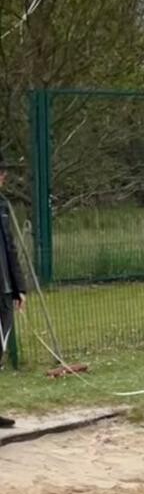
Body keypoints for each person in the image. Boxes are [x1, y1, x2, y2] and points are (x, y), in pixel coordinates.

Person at [0, 149, 27, 428]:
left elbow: (10, 249)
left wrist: (20, 287)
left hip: (5, 291)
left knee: (1, 347)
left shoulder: (3, 207)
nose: (3, 177)